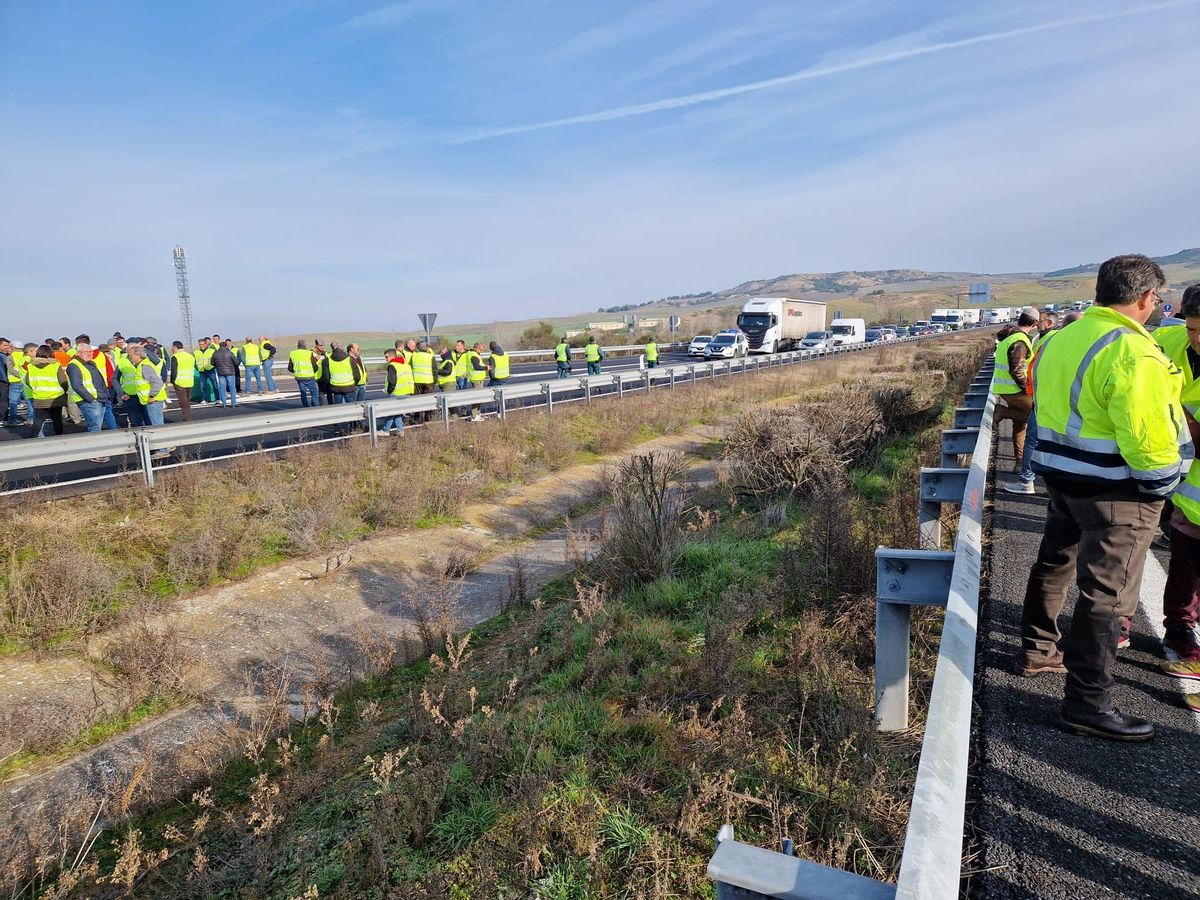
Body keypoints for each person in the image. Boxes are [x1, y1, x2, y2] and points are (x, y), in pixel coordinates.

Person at [1019, 254, 1188, 741]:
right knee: (1107, 596)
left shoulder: (1060, 337)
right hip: (1116, 492)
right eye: (1156, 299)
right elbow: (1148, 441)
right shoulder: (1135, 352)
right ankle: (1087, 704)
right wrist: (1161, 489)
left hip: (1061, 477)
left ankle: (1037, 650)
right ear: (1145, 298)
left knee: (1054, 563)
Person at [1153, 285, 1200, 666]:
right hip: (1169, 474)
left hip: (1188, 473)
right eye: (1193, 328)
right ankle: (1180, 627)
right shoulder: (1166, 339)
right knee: (1182, 562)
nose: (1197, 338)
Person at [1005, 311, 1083, 495]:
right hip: (1076, 402)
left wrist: (1033, 394)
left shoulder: (1050, 341)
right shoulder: (1089, 343)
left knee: (1034, 440)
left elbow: (1034, 369)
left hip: (1047, 400)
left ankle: (1026, 481)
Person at [991, 307, 1038, 470]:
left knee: (1020, 424)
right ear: (1034, 323)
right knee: (1037, 419)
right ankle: (1002, 412)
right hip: (1016, 390)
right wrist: (1029, 390)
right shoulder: (1020, 340)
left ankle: (1019, 463)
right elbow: (1016, 369)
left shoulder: (1009, 337)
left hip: (1006, 389)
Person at [24, 345, 68, 438]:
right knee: (57, 420)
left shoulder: (31, 366)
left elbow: (28, 381)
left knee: (38, 421)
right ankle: (59, 438)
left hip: (40, 397)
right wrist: (65, 390)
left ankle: (33, 439)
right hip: (55, 397)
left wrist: (36, 388)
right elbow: (63, 381)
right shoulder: (55, 365)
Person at [127, 344, 168, 427]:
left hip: (153, 400)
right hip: (151, 400)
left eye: (131, 355)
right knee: (156, 423)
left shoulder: (144, 366)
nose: (130, 357)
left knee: (157, 424)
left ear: (138, 355)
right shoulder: (142, 365)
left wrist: (152, 396)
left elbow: (157, 382)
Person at [378, 349, 413, 435]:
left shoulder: (392, 366)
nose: (385, 359)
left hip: (396, 392)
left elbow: (392, 381)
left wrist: (389, 391)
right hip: (407, 391)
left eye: (386, 357)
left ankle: (386, 430)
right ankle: (400, 431)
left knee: (391, 411)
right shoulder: (405, 364)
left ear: (392, 356)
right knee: (397, 412)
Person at [115, 340, 146, 427]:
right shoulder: (123, 361)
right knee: (135, 421)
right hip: (130, 396)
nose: (132, 352)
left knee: (147, 420)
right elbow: (114, 379)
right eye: (131, 350)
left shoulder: (145, 359)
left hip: (144, 395)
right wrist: (122, 394)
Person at [168, 341, 195, 422]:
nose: (171, 349)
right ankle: (188, 417)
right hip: (189, 381)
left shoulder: (175, 357)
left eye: (172, 347)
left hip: (179, 382)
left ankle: (187, 418)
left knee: (183, 402)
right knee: (187, 401)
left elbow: (174, 370)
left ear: (175, 347)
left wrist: (172, 381)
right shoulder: (190, 356)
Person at [288, 340, 320, 408]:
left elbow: (290, 368)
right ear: (305, 346)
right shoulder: (309, 353)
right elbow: (315, 366)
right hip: (309, 376)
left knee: (303, 393)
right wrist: (313, 371)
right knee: (314, 393)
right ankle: (315, 407)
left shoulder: (293, 353)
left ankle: (305, 407)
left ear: (298, 346)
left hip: (299, 377)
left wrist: (296, 371)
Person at [410, 341, 436, 421]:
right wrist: (435, 380)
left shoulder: (414, 356)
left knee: (417, 400)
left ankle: (417, 417)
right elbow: (435, 369)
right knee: (429, 400)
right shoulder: (430, 356)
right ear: (425, 348)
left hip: (417, 381)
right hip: (429, 381)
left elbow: (411, 367)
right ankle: (427, 417)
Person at [211, 339, 239, 408]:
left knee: (222, 388)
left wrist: (217, 365)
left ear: (219, 346)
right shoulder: (229, 353)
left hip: (220, 372)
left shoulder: (215, 353)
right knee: (232, 387)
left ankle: (223, 403)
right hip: (230, 372)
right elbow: (236, 362)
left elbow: (212, 363)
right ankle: (233, 403)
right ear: (226, 346)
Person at [466, 341, 488, 421]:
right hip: (476, 379)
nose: (481, 351)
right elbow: (477, 367)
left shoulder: (473, 354)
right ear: (476, 348)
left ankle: (478, 414)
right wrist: (486, 368)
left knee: (479, 397)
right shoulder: (473, 355)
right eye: (481, 350)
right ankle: (474, 415)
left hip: (477, 378)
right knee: (477, 397)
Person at [195, 336, 218, 404]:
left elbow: (216, 360)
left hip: (211, 370)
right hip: (202, 371)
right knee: (203, 386)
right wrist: (197, 368)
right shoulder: (196, 352)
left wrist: (214, 367)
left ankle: (218, 399)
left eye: (202, 344)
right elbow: (195, 362)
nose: (201, 346)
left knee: (215, 385)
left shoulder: (212, 351)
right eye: (200, 344)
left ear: (205, 344)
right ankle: (204, 399)